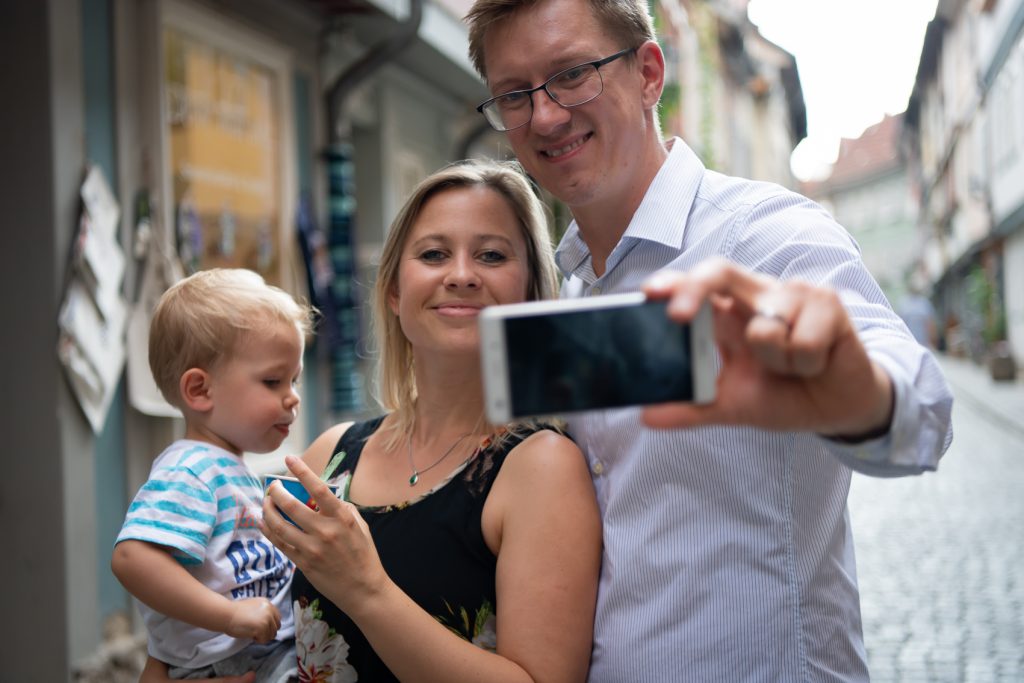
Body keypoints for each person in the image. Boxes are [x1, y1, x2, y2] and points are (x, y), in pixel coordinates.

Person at [465, 1, 955, 681]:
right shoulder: (567, 294)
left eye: (572, 73)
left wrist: (856, 393)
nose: (544, 115)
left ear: (648, 73)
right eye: (514, 94)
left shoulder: (771, 236)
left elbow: (925, 413)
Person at [141, 159, 602, 683]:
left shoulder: (540, 465)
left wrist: (366, 589)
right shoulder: (332, 454)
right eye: (433, 254)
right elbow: (224, 607)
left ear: (529, 291)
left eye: (492, 255)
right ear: (394, 293)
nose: (461, 274)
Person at [113, 268, 311, 682]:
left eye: (293, 379)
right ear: (200, 390)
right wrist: (230, 615)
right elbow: (132, 559)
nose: (292, 396)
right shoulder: (191, 470)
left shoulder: (228, 468)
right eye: (273, 380)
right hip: (227, 660)